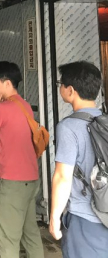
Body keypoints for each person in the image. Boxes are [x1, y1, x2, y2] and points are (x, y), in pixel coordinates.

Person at [0, 61, 44, 258]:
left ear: (7, 83)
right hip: (30, 179)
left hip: (12, 183)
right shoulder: (24, 105)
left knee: (8, 239)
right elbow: (0, 136)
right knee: (30, 234)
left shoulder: (3, 108)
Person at [49, 61, 108, 256]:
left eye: (61, 84)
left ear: (70, 90)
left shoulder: (68, 127)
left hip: (85, 218)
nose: (60, 88)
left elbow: (62, 177)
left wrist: (54, 217)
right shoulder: (105, 121)